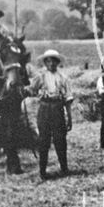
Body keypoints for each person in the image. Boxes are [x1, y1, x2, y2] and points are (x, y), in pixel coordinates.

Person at [25, 49, 73, 180]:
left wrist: (69, 117)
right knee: (44, 140)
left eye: (53, 61)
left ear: (58, 62)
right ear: (45, 63)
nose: (51, 63)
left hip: (58, 108)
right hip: (44, 109)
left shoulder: (63, 78)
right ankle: (43, 171)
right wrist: (24, 89)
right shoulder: (40, 77)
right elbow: (31, 90)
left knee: (60, 139)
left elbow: (68, 99)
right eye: (48, 61)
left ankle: (64, 168)